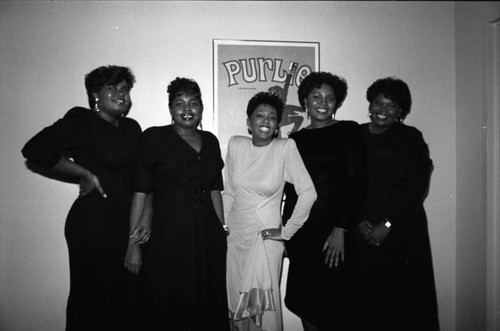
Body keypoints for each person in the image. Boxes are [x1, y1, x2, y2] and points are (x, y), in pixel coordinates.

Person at [21, 65, 141, 330]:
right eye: (113, 88)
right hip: (93, 225)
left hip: (126, 223)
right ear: (95, 94)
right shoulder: (82, 120)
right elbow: (34, 148)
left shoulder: (132, 128)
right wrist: (83, 173)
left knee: (128, 296)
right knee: (95, 299)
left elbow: (141, 179)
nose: (121, 94)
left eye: (125, 89)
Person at [124, 77, 230, 330]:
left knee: (205, 301)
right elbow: (141, 191)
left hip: (206, 233)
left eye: (193, 103)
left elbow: (216, 190)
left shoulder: (212, 141)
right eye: (179, 103)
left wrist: (221, 230)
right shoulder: (154, 137)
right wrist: (132, 244)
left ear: (201, 108)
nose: (187, 109)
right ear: (170, 109)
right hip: (167, 232)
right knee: (167, 301)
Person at [224, 91, 317, 331]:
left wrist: (286, 232)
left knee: (259, 313)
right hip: (235, 240)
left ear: (277, 125)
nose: (265, 121)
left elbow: (308, 192)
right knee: (236, 309)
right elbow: (230, 192)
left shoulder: (285, 148)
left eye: (272, 117)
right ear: (248, 122)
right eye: (259, 116)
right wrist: (223, 226)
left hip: (264, 243)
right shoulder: (235, 145)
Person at [353, 77, 439, 331]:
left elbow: (416, 188)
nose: (383, 110)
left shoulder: (410, 138)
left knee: (402, 308)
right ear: (370, 104)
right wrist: (357, 220)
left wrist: (388, 223)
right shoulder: (356, 135)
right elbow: (348, 184)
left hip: (402, 232)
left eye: (392, 106)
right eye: (378, 103)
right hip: (363, 231)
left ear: (401, 111)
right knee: (365, 306)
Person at [281, 72, 366, 331]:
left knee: (336, 306)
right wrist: (286, 234)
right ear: (304, 100)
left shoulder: (349, 131)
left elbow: (357, 183)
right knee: (307, 302)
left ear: (337, 103)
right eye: (316, 96)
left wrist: (341, 228)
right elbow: (289, 192)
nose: (322, 102)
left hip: (335, 233)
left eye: (330, 98)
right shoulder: (294, 140)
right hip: (303, 233)